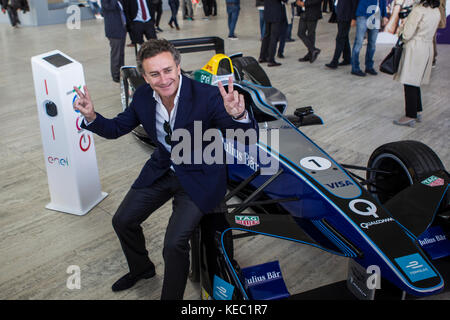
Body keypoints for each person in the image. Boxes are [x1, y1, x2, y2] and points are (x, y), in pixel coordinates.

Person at [73, 39, 257, 300]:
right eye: (154, 74)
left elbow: (247, 138)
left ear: (178, 67)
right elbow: (115, 129)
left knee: (173, 244)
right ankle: (142, 269)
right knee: (122, 220)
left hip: (200, 177)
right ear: (145, 77)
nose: (163, 79)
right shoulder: (143, 98)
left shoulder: (207, 96)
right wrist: (91, 117)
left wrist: (239, 116)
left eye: (168, 70)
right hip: (163, 170)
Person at [392, 0, 441, 126]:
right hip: (427, 47)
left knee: (409, 81)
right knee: (415, 80)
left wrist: (401, 29)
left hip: (415, 48)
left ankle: (410, 115)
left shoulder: (418, 10)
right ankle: (417, 110)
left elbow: (407, 34)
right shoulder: (436, 10)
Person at [350, 0, 388, 76]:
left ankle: (369, 66)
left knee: (372, 43)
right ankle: (355, 68)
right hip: (362, 14)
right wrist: (353, 17)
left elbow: (383, 1)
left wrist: (384, 15)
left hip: (376, 16)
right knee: (359, 42)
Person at [325, 0, 358, 69]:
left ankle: (334, 61)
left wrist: (354, 18)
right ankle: (347, 58)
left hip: (346, 15)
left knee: (340, 38)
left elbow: (355, 3)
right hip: (340, 14)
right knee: (344, 37)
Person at [101, 0, 127, 83]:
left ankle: (122, 71)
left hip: (122, 29)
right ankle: (115, 75)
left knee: (121, 53)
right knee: (116, 54)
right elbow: (109, 7)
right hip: (113, 31)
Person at [259, 0, 288, 67]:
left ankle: (262, 56)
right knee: (274, 37)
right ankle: (271, 59)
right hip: (276, 13)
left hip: (268, 11)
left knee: (267, 35)